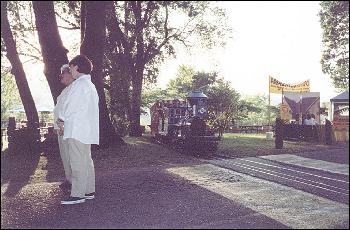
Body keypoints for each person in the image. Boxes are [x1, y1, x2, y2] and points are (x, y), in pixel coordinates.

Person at [57, 55, 99, 205]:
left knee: (77, 162)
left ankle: (78, 194)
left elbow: (70, 106)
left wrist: (61, 119)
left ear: (76, 67)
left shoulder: (79, 85)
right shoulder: (89, 85)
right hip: (85, 130)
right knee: (86, 160)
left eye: (70, 68)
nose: (70, 71)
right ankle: (88, 190)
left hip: (77, 129)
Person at [53, 64, 75, 192]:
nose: (61, 75)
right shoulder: (64, 91)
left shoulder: (75, 89)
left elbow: (70, 110)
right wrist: (56, 126)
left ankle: (76, 181)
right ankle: (69, 179)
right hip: (61, 129)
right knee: (65, 155)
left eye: (63, 73)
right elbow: (58, 110)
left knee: (72, 156)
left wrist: (63, 125)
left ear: (70, 74)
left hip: (68, 128)